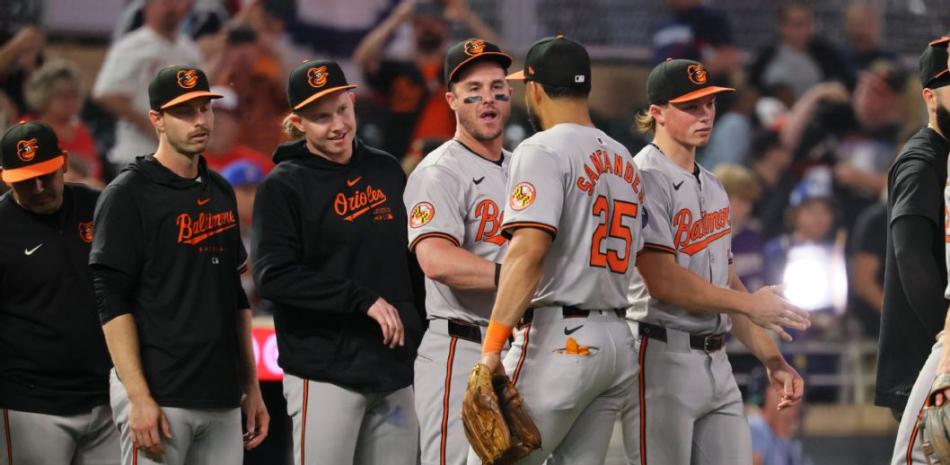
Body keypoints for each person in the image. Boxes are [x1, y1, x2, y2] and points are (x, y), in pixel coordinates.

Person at [622, 58, 809, 465]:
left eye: (709, 103)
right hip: (659, 352)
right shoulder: (642, 177)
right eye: (690, 106)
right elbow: (662, 281)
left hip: (716, 358)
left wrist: (772, 360)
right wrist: (749, 304)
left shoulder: (713, 184)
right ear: (657, 112)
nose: (705, 114)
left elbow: (727, 284)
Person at [472, 35, 643, 465]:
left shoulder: (541, 149)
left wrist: (492, 347)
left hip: (562, 339)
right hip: (617, 343)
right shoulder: (624, 156)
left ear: (535, 88)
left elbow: (528, 254)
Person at [90, 65, 269, 465]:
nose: (200, 120)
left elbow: (235, 296)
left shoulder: (220, 189)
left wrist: (250, 386)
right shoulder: (128, 194)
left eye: (204, 109)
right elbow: (110, 300)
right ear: (156, 120)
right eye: (184, 112)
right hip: (160, 394)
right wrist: (138, 397)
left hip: (221, 396)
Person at [252, 60, 423, 465]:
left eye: (342, 109)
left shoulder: (385, 169)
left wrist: (418, 329)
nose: (337, 125)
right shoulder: (283, 185)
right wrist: (359, 299)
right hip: (324, 369)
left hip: (394, 370)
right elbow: (273, 275)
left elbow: (411, 259)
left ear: (353, 103)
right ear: (297, 123)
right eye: (320, 117)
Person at [404, 38, 512, 465]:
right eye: (473, 89)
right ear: (451, 99)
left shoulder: (522, 166)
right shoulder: (439, 171)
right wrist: (514, 278)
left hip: (515, 346)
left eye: (497, 86)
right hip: (461, 345)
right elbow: (436, 259)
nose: (487, 98)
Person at [0, 121, 117, 464]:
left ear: (64, 162)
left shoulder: (99, 206)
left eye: (46, 176)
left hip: (106, 396)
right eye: (25, 181)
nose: (38, 188)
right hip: (30, 404)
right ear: (5, 177)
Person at [877, 38, 950, 425]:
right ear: (930, 96)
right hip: (925, 368)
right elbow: (911, 258)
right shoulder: (921, 163)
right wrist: (948, 344)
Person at [353, 0, 499, 159]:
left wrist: (467, 16)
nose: (428, 28)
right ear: (413, 30)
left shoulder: (460, 70)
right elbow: (363, 59)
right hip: (406, 162)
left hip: (455, 159)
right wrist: (396, 19)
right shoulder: (398, 71)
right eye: (420, 24)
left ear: (446, 28)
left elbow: (499, 58)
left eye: (435, 23)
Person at [93, 0, 201, 168]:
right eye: (165, 3)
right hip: (137, 152)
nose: (173, 8)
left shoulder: (189, 50)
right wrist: (153, 126)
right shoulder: (131, 46)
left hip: (181, 155)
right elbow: (106, 94)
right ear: (148, 7)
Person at [748, 1, 852, 100]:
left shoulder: (827, 55)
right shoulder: (765, 55)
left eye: (806, 24)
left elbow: (842, 85)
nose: (801, 30)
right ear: (781, 26)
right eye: (796, 24)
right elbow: (753, 87)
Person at [23, 59, 103, 182]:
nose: (70, 102)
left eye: (75, 95)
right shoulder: (27, 129)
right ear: (44, 96)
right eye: (63, 96)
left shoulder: (81, 130)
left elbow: (95, 172)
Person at [714, 163, 765, 291]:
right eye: (742, 200)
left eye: (749, 202)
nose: (748, 208)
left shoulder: (754, 236)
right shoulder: (703, 240)